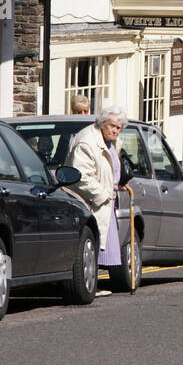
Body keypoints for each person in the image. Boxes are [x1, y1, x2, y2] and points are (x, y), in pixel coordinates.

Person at [65, 105, 126, 292]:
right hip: (91, 202)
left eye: (119, 127)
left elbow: (109, 168)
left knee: (100, 244)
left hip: (105, 202)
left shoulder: (111, 142)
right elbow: (81, 176)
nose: (116, 130)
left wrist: (117, 184)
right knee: (92, 243)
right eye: (113, 126)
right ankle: (88, 286)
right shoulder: (87, 142)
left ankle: (93, 284)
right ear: (102, 123)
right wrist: (103, 194)